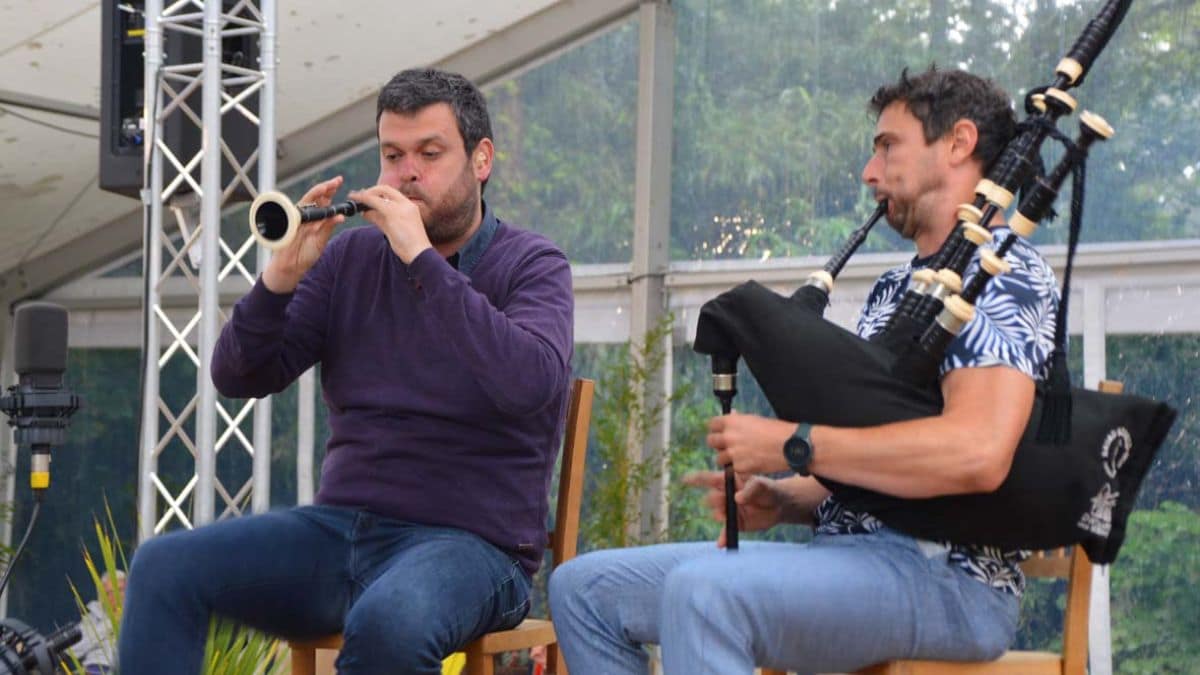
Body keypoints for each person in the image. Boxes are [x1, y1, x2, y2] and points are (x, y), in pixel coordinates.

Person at [548, 66, 1059, 674]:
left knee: (705, 593)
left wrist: (796, 444)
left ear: (958, 143)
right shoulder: (897, 287)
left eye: (888, 146)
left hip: (947, 578)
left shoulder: (1001, 272)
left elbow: (977, 454)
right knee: (582, 590)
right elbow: (883, 454)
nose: (871, 173)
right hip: (856, 557)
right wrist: (788, 499)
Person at [118, 68, 575, 675]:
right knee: (162, 568)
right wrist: (281, 278)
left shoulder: (534, 264)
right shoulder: (351, 258)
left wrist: (420, 259)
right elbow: (237, 376)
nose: (407, 172)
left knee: (389, 622)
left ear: (481, 159)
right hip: (340, 532)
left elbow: (530, 384)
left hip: (474, 549)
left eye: (429, 153)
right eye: (392, 155)